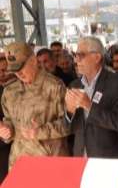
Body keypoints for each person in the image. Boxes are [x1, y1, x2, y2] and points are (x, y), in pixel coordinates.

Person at [0, 42, 69, 170]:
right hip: (19, 162)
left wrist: (40, 131)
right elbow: (9, 121)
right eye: (14, 70)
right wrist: (6, 131)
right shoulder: (9, 92)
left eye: (21, 67)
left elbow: (69, 124)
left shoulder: (54, 86)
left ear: (33, 61)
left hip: (50, 163)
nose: (18, 73)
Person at [64, 36, 118, 158]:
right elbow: (67, 129)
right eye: (75, 55)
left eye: (81, 55)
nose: (76, 60)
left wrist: (89, 106)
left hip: (106, 158)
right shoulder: (75, 85)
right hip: (81, 155)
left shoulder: (116, 83)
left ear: (97, 57)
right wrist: (69, 112)